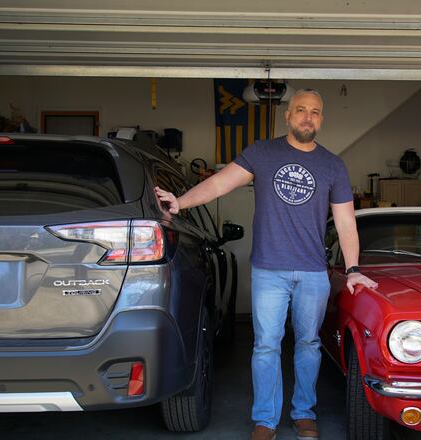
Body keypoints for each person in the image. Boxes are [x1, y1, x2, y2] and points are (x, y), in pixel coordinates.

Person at [155, 88, 377, 440]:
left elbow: (346, 222)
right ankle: (265, 420)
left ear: (321, 119)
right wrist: (180, 203)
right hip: (269, 270)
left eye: (315, 112)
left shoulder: (333, 165)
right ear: (287, 115)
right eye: (301, 110)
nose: (308, 116)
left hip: (312, 272)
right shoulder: (262, 153)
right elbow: (219, 184)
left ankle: (304, 413)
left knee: (309, 345)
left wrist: (352, 269)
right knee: (266, 346)